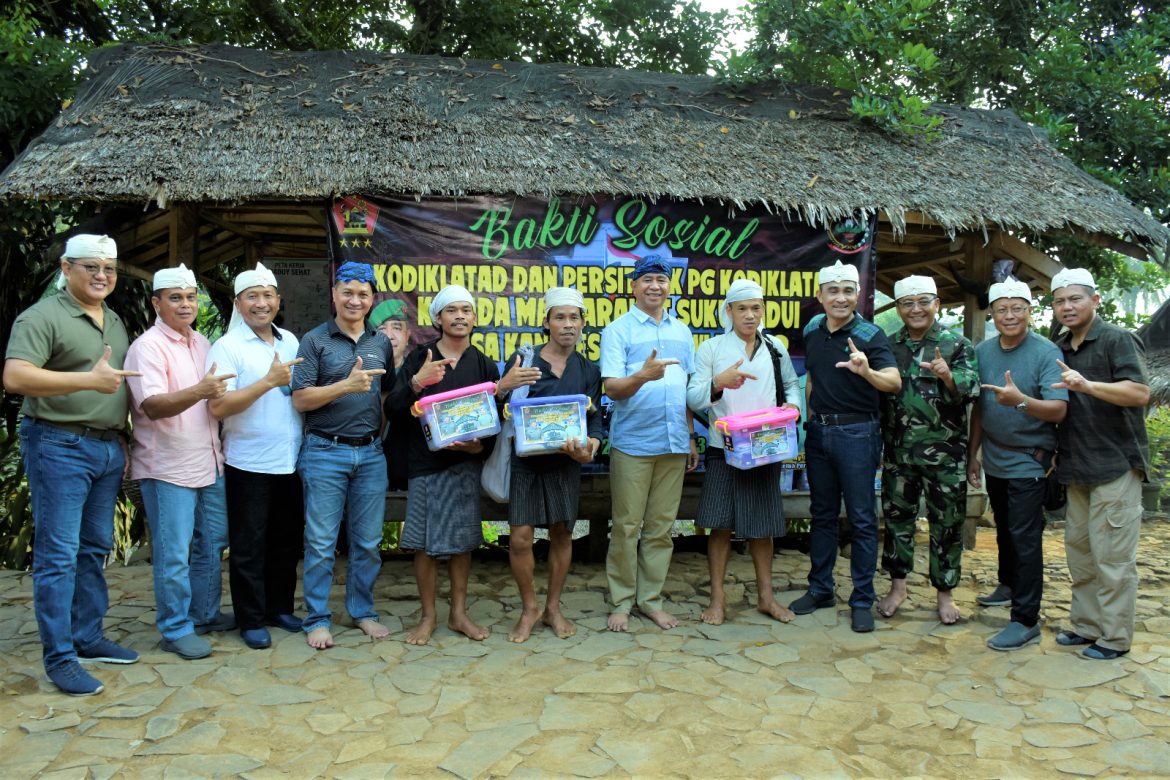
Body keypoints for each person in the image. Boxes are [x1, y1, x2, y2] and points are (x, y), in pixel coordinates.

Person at [3, 234, 142, 695]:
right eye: (91, 267)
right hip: (58, 443)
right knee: (58, 555)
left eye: (110, 269)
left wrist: (122, 441)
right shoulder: (42, 316)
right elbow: (16, 376)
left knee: (93, 547)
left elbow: (116, 387)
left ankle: (87, 636)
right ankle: (59, 657)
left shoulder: (115, 320)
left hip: (105, 447)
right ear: (66, 268)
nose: (102, 276)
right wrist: (86, 380)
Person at [386, 284, 514, 645]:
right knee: (425, 545)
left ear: (474, 318)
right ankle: (428, 617)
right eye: (452, 310)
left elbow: (493, 422)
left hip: (465, 467)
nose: (460, 316)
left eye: (466, 310)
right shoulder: (420, 357)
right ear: (437, 318)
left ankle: (458, 614)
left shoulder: (483, 363)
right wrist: (416, 383)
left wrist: (478, 447)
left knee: (463, 542)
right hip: (425, 465)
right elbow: (393, 410)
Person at [124, 264, 234, 661]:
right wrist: (200, 389)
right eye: (175, 297)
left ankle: (203, 613)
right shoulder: (147, 347)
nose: (185, 304)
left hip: (209, 461)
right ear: (157, 303)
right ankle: (175, 627)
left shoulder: (203, 343)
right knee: (174, 552)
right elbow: (151, 406)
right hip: (168, 467)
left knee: (211, 543)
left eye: (190, 297)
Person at [789, 259, 901, 633]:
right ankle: (820, 588)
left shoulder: (871, 335)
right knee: (821, 514)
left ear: (857, 295)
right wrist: (808, 420)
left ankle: (861, 599)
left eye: (848, 291)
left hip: (858, 435)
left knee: (862, 519)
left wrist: (866, 370)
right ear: (818, 295)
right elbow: (813, 380)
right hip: (819, 434)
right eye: (833, 291)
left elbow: (894, 382)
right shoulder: (813, 329)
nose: (840, 298)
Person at [291, 261, 394, 650]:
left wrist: (378, 437)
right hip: (323, 451)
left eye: (363, 294)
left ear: (371, 300)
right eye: (347, 292)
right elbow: (301, 399)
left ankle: (362, 611)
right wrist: (345, 386)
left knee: (367, 542)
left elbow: (385, 395)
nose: (355, 300)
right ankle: (317, 618)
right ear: (334, 294)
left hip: (370, 453)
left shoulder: (380, 342)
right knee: (320, 542)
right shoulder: (314, 341)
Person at [686, 279, 802, 625]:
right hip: (725, 448)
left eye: (756, 308)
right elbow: (693, 399)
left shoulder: (775, 348)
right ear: (728, 312)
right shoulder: (711, 349)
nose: (750, 316)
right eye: (742, 309)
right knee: (720, 525)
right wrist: (719, 382)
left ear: (762, 310)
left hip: (764, 447)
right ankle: (717, 600)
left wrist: (793, 407)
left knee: (762, 526)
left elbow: (793, 385)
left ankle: (767, 598)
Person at [1049, 268, 1150, 660]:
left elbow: (1140, 393)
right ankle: (1086, 626)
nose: (1067, 306)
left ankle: (1114, 637)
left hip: (1115, 465)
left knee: (1113, 558)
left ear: (1095, 300)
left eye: (1075, 298)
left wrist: (1088, 386)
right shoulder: (1061, 346)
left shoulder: (1116, 339)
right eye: (1059, 300)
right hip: (1077, 467)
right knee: (1081, 554)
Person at [206, 263, 305, 650]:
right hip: (247, 461)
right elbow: (218, 407)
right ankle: (250, 618)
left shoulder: (292, 342)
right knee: (248, 545)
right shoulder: (227, 347)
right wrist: (267, 381)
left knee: (285, 541)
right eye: (253, 296)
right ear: (239, 303)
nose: (261, 304)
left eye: (268, 296)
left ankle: (278, 608)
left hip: (290, 458)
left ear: (278, 301)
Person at [600, 255, 699, 632]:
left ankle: (650, 600)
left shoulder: (683, 331)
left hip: (674, 443)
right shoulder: (619, 330)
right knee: (626, 526)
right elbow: (612, 388)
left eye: (661, 279)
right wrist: (642, 375)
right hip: (633, 444)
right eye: (647, 280)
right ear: (634, 286)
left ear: (669, 286)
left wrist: (690, 436)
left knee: (660, 528)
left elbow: (687, 390)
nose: (655, 286)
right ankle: (622, 601)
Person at [968, 280, 1068, 651]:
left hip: (1030, 460)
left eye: (1017, 308)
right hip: (994, 456)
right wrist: (972, 455)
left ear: (1030, 311)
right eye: (1002, 309)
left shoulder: (1046, 352)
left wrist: (1022, 401)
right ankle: (1008, 585)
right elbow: (980, 407)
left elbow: (1059, 408)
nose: (1009, 316)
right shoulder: (983, 351)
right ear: (991, 313)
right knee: (1005, 531)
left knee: (1026, 540)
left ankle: (1025, 620)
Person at [877, 275, 979, 625]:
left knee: (947, 525)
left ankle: (945, 592)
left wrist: (947, 375)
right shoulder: (887, 346)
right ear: (898, 308)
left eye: (924, 301)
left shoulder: (957, 344)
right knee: (897, 523)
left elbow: (970, 391)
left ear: (938, 304)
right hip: (899, 454)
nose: (916, 309)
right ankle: (898, 586)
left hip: (945, 456)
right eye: (908, 303)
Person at [502, 287, 603, 642]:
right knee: (520, 538)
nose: (567, 324)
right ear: (546, 323)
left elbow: (595, 422)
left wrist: (591, 444)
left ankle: (554, 608)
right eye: (559, 317)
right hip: (526, 464)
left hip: (566, 464)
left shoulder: (588, 369)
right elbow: (503, 408)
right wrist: (505, 388)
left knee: (561, 533)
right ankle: (529, 608)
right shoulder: (525, 359)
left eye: (574, 317)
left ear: (583, 324)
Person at [376, 303, 414, 492]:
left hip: (407, 470)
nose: (390, 335)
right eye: (382, 328)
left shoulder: (418, 375)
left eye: (397, 328)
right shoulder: (360, 373)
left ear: (408, 336)